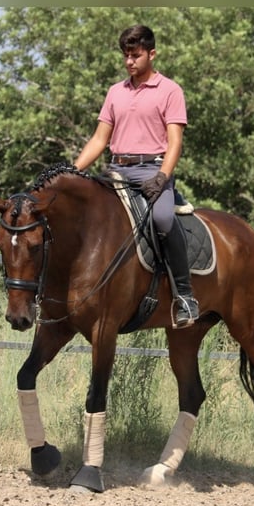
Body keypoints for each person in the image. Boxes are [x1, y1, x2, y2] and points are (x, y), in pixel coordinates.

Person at [74, 24, 199, 328]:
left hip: (152, 171)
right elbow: (99, 140)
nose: (129, 61)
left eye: (136, 55)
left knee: (163, 221)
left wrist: (162, 177)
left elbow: (175, 143)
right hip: (117, 170)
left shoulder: (170, 90)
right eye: (126, 56)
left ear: (152, 54)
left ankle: (185, 296)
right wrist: (74, 171)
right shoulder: (116, 92)